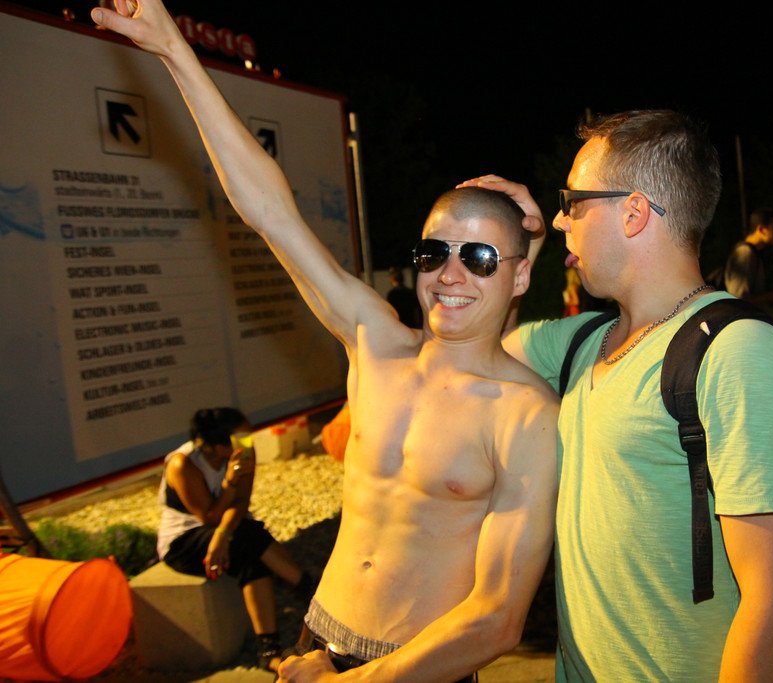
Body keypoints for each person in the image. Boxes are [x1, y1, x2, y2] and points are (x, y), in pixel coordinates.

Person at [90, 3, 558, 681]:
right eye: (435, 253)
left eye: (480, 258)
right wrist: (172, 49)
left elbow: (497, 617)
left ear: (519, 275)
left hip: (416, 668)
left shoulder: (525, 414)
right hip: (319, 636)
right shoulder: (376, 343)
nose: (451, 275)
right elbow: (271, 214)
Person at [462, 110, 773, 681]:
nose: (559, 220)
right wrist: (521, 247)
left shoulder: (738, 353)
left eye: (572, 202)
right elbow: (474, 356)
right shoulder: (583, 342)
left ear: (633, 212)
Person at [157, 407, 313, 671]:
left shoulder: (244, 454)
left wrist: (222, 535)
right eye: (241, 437)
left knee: (248, 550)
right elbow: (209, 516)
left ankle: (268, 651)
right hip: (184, 540)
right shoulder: (183, 464)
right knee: (247, 537)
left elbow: (240, 505)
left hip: (230, 531)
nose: (248, 441)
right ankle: (310, 590)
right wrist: (229, 481)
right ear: (220, 447)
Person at [723, 206, 773, 305]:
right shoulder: (745, 253)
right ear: (761, 229)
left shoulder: (754, 252)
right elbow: (738, 299)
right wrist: (771, 296)